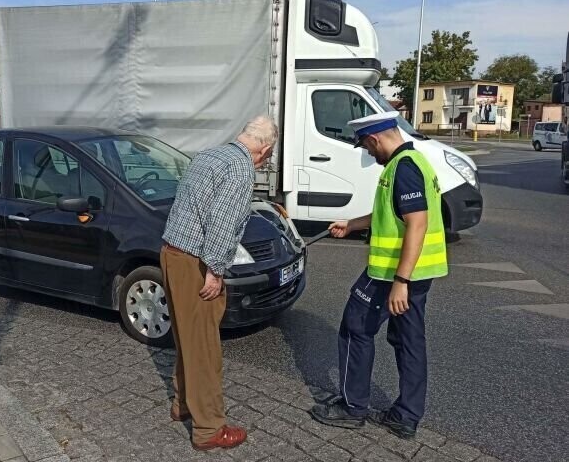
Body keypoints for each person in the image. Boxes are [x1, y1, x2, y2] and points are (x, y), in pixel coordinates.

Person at [310, 111, 448, 440]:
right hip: (418, 272)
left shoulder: (403, 168)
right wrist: (352, 224)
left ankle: (352, 407)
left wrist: (400, 282)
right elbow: (394, 213)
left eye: (367, 148)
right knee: (409, 340)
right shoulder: (416, 161)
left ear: (374, 139)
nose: (369, 154)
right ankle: (406, 416)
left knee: (355, 328)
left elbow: (417, 223)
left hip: (392, 273)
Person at [160, 115, 277, 451]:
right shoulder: (241, 169)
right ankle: (209, 428)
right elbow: (223, 222)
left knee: (186, 339)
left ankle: (183, 404)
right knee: (204, 348)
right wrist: (216, 270)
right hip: (195, 262)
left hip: (171, 253)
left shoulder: (209, 155)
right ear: (265, 150)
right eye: (268, 157)